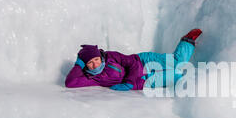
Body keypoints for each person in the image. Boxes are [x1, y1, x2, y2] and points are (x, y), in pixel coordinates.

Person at [65, 29, 202, 91]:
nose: (95, 64)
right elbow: (70, 83)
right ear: (86, 65)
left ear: (100, 56)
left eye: (96, 59)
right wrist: (79, 63)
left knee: (178, 63)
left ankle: (188, 41)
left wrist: (129, 83)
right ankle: (203, 82)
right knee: (178, 76)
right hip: (143, 81)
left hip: (142, 61)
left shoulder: (110, 56)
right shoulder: (91, 77)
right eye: (90, 62)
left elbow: (132, 63)